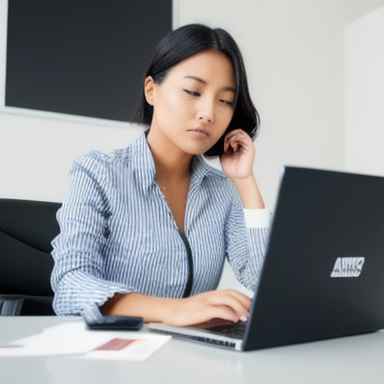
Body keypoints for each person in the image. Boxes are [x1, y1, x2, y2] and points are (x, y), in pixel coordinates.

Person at [51, 24, 270, 326]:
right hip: (114, 364)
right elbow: (71, 285)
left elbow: (263, 280)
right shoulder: (97, 174)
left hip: (190, 361)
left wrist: (245, 182)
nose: (208, 112)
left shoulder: (221, 191)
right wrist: (175, 310)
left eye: (225, 101)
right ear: (151, 90)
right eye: (193, 91)